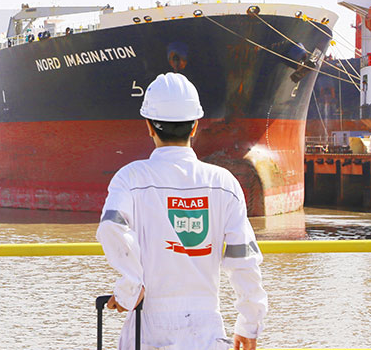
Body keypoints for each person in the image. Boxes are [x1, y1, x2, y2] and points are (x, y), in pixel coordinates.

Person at [97, 73, 267, 350]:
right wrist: (249, 324)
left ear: (149, 126)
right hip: (205, 332)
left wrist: (130, 287)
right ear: (195, 126)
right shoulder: (223, 184)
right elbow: (243, 259)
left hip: (147, 329)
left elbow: (111, 227)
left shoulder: (131, 178)